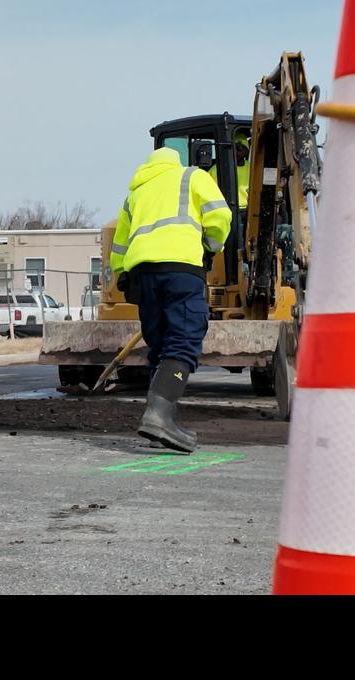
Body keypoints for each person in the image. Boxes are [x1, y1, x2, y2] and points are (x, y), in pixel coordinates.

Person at [111, 147, 232, 452]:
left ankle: (160, 426)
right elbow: (219, 215)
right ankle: (159, 417)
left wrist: (121, 274)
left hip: (142, 276)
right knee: (184, 339)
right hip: (181, 270)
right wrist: (210, 247)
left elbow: (120, 243)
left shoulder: (135, 192)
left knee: (161, 344)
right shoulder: (192, 175)